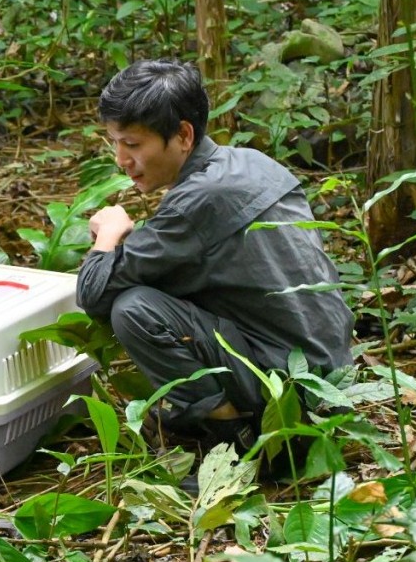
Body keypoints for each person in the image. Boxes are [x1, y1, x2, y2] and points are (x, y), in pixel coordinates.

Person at [76, 59, 353, 453]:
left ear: (183, 135)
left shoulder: (198, 202)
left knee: (133, 308)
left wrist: (107, 235)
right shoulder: (252, 163)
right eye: (114, 143)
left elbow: (92, 293)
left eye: (133, 144)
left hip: (293, 389)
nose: (121, 160)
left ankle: (239, 443)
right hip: (330, 373)